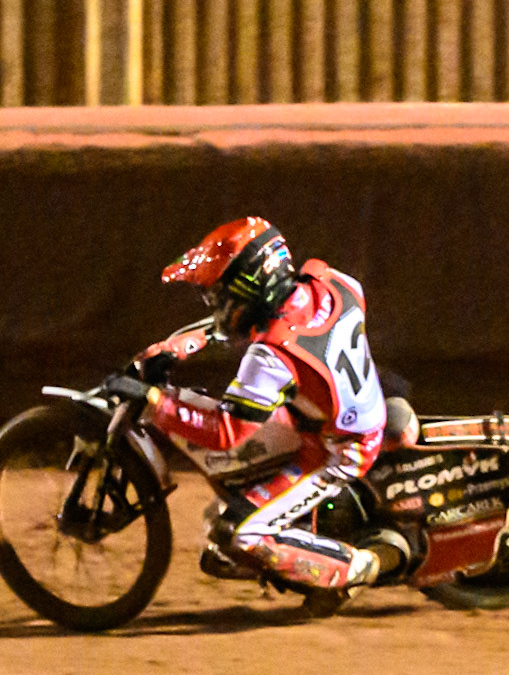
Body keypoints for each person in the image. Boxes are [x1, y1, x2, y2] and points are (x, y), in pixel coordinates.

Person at [108, 217, 387, 607]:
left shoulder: (270, 357)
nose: (215, 305)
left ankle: (356, 567)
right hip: (338, 408)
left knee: (237, 532)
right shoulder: (334, 283)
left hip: (338, 450)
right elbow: (247, 322)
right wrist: (176, 347)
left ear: (251, 289)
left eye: (221, 296)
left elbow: (226, 433)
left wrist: (156, 403)